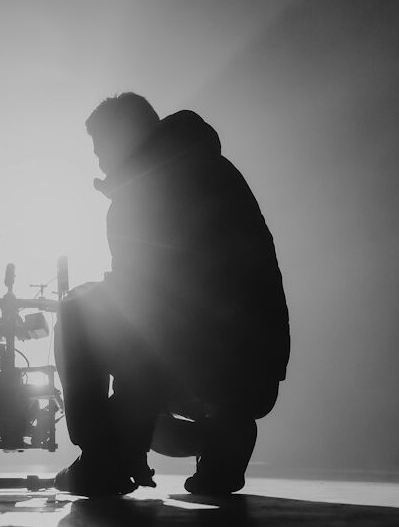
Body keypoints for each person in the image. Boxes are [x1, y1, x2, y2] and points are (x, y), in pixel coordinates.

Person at [54, 93, 290, 496]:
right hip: (254, 373)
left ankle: (102, 458)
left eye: (100, 148)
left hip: (193, 359)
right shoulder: (214, 170)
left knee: (78, 308)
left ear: (121, 139)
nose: (98, 160)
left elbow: (145, 309)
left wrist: (123, 428)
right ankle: (223, 439)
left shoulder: (144, 192)